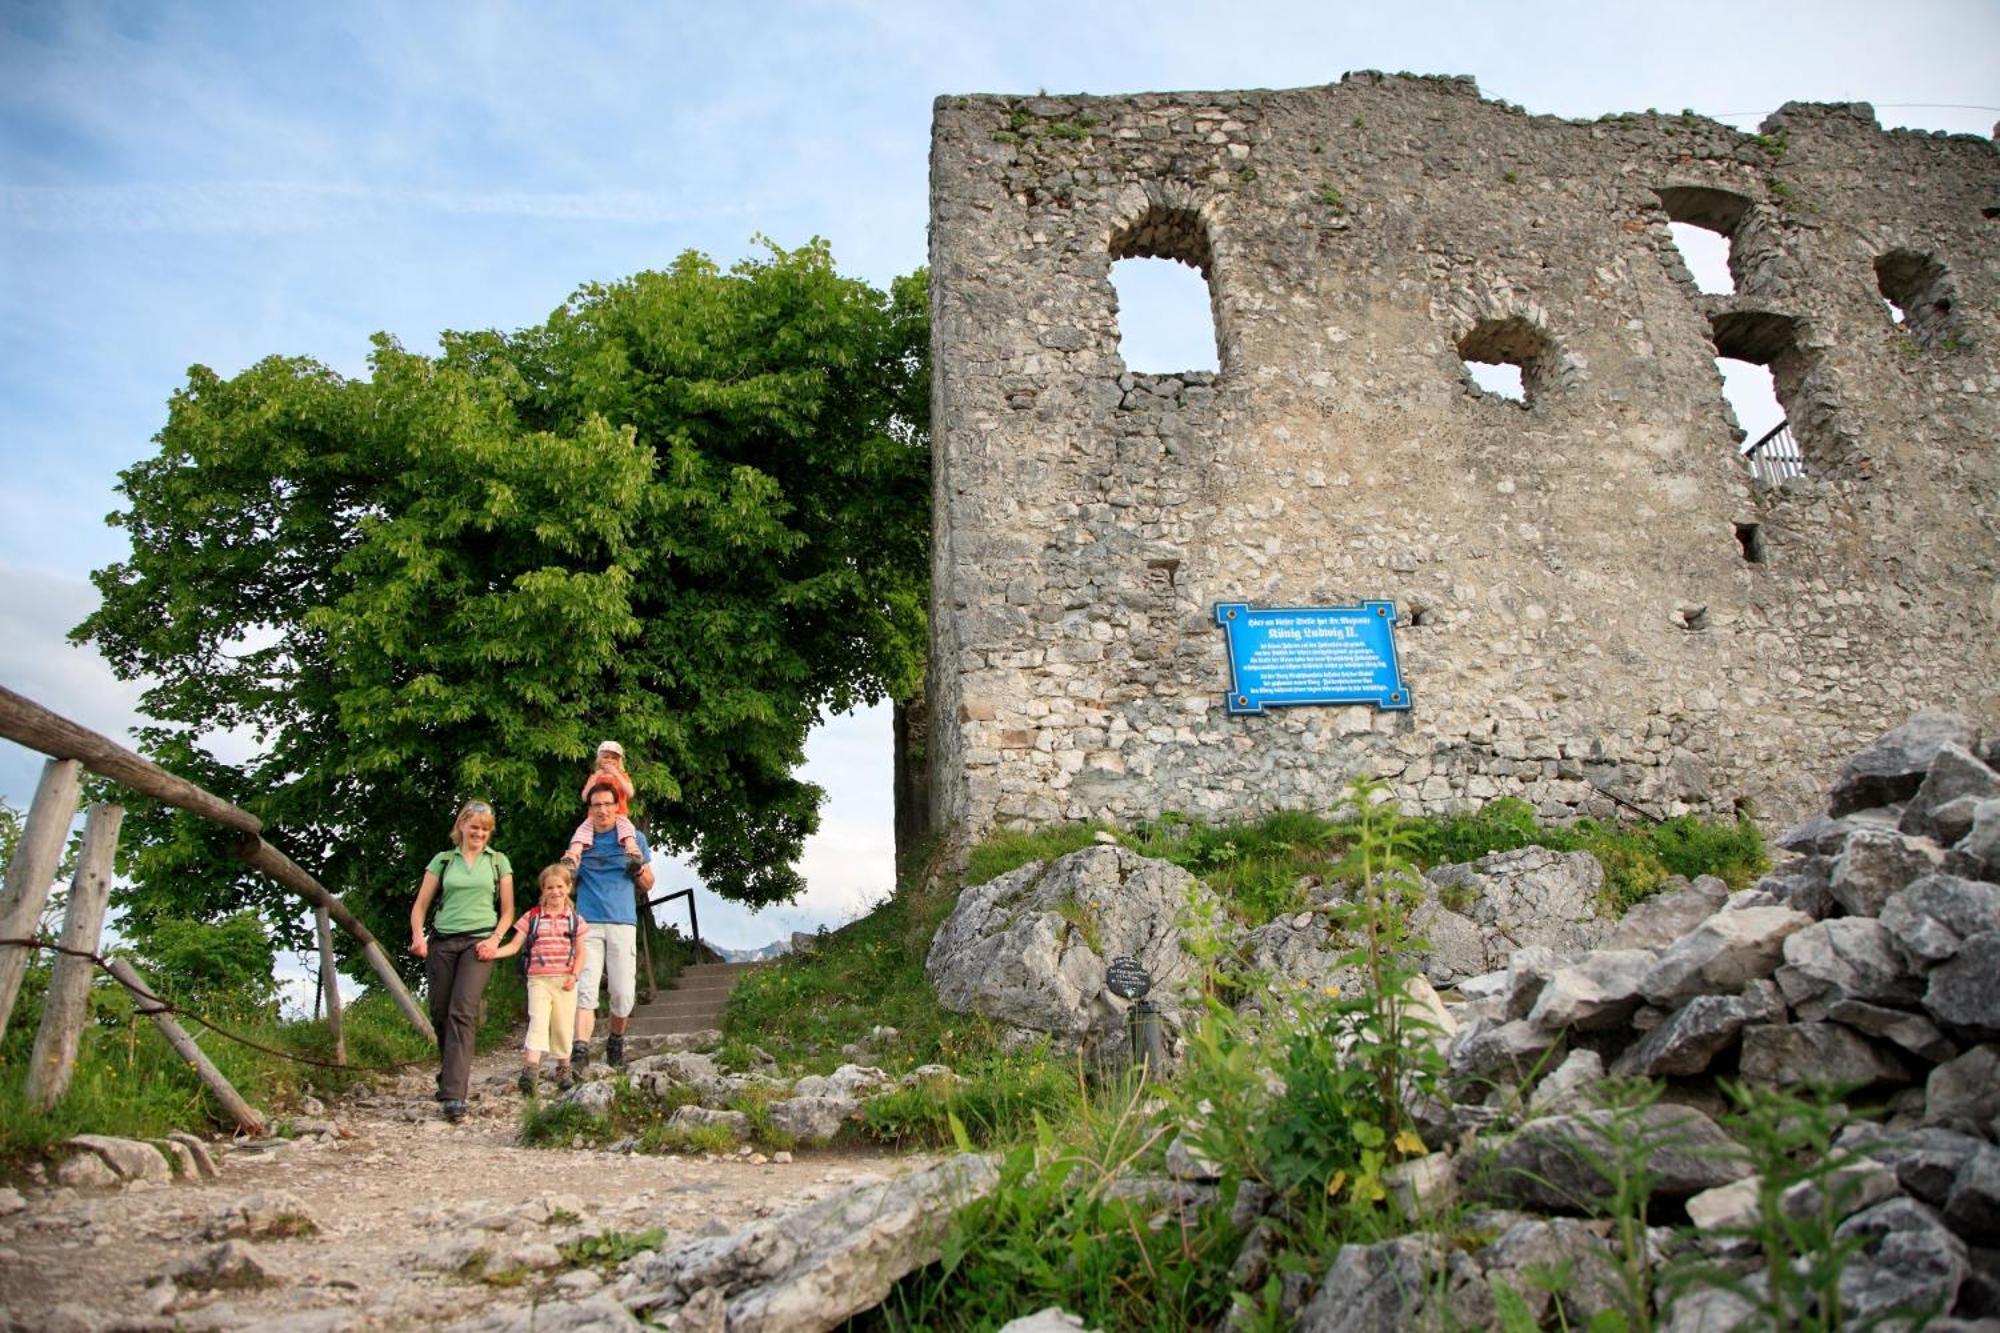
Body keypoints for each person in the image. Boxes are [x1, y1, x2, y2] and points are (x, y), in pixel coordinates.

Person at [409, 799, 515, 1123]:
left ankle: (455, 1094)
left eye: (485, 829)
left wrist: (495, 940)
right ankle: (449, 1075)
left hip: (479, 943)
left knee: (462, 1012)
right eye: (474, 827)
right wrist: (418, 936)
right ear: (462, 827)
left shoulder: (498, 862)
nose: (479, 833)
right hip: (443, 941)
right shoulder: (443, 861)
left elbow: (508, 909)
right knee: (441, 1012)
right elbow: (420, 905)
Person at [569, 781, 653, 1069]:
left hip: (622, 921)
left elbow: (648, 883)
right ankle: (579, 1052)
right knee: (586, 990)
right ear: (589, 810)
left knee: (622, 992)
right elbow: (565, 887)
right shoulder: (580, 841)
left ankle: (615, 1041)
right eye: (597, 805)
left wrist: (638, 869)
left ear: (617, 806)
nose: (603, 810)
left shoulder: (634, 839)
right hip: (587, 923)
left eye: (608, 804)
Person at [491, 862, 588, 1094]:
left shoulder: (576, 920)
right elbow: (515, 945)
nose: (555, 892)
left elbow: (582, 953)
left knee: (563, 1026)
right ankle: (530, 1070)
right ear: (543, 891)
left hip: (565, 980)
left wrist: (574, 975)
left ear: (568, 887)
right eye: (549, 888)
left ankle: (563, 1069)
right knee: (538, 1021)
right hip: (538, 980)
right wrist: (493, 951)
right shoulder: (532, 917)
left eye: (559, 887)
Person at [563, 741, 643, 873]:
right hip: (595, 816)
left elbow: (630, 793)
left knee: (628, 831)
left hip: (619, 814)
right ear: (599, 759)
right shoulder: (595, 776)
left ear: (619, 762)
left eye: (614, 758)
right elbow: (585, 797)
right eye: (606, 757)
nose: (610, 761)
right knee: (581, 832)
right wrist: (595, 778)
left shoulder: (622, 776)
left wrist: (616, 774)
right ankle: (572, 857)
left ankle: (633, 855)